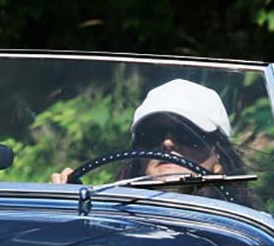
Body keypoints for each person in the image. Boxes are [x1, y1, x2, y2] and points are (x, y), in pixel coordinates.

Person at [50, 78, 248, 186]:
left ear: (218, 154)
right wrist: (70, 209)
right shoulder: (109, 219)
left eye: (187, 134)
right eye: (152, 134)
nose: (168, 143)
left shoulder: (245, 234)